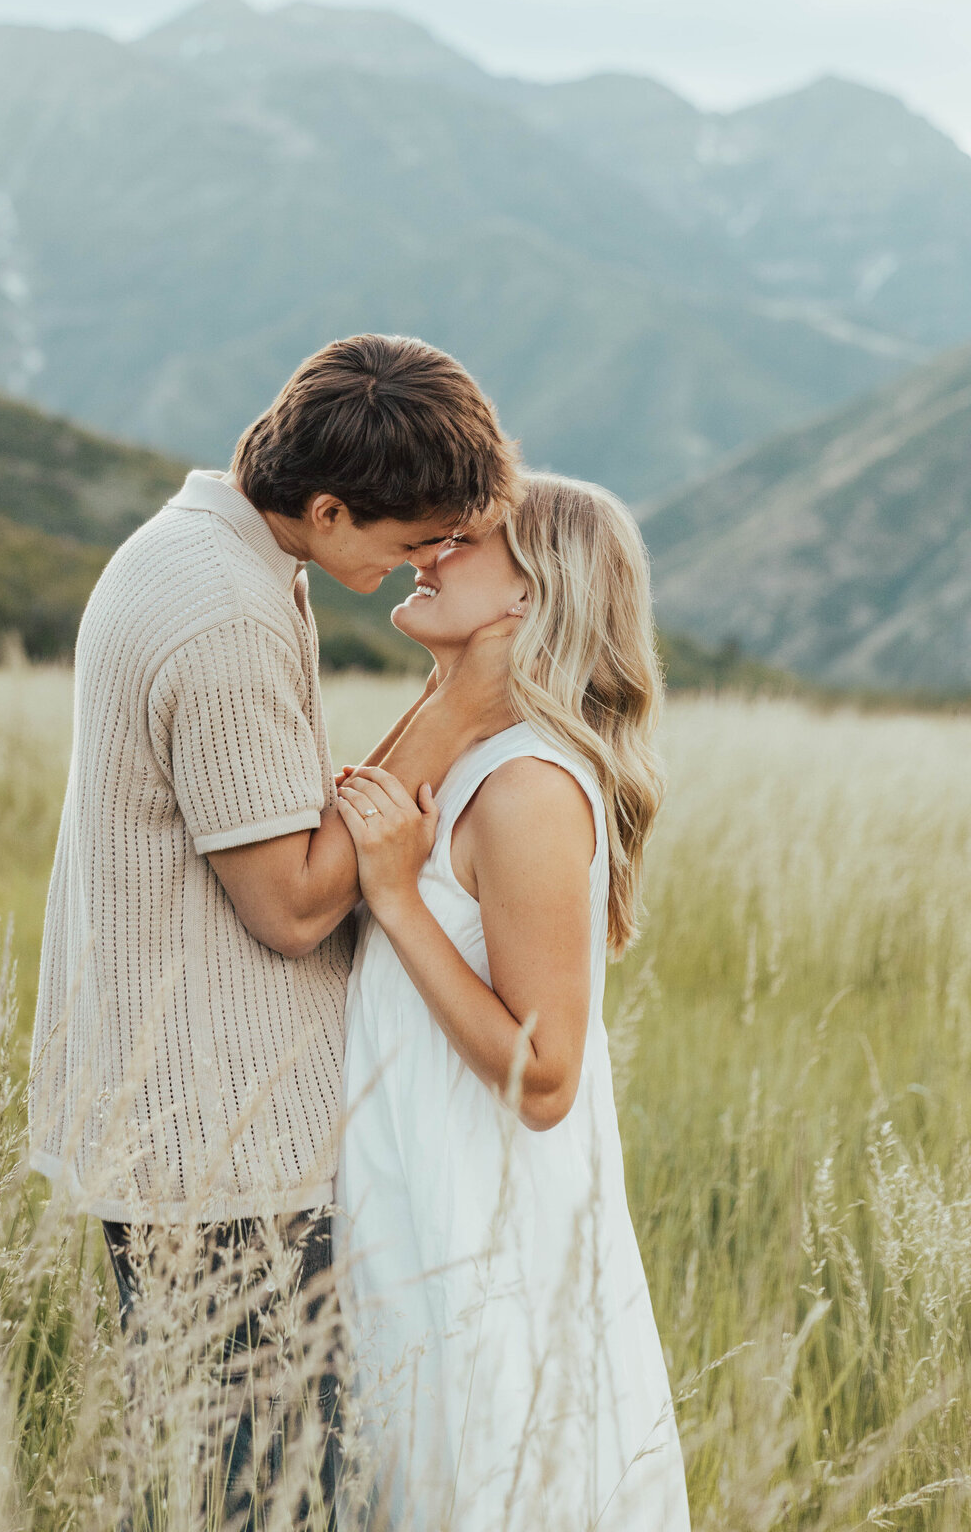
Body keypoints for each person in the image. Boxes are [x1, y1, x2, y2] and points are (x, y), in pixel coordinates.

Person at [27, 335, 521, 1527]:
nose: (432, 563)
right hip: (226, 1154)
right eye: (415, 544)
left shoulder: (221, 560)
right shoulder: (221, 615)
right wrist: (456, 715)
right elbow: (294, 906)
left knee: (246, 1488)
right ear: (330, 505)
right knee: (270, 1499)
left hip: (206, 1130)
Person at [336, 473, 692, 1531]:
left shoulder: (531, 787)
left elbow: (544, 1079)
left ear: (527, 600)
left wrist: (395, 897)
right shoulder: (480, 749)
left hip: (482, 1228)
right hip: (416, 1200)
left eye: (462, 543)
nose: (425, 553)